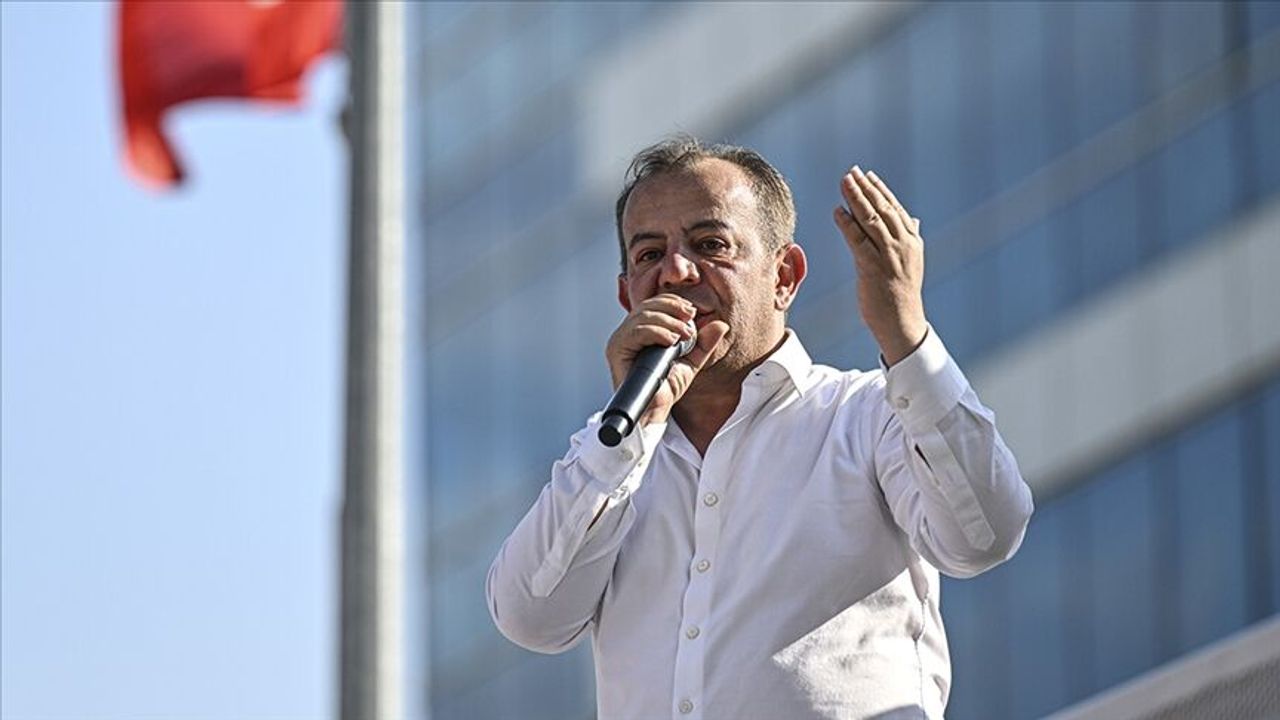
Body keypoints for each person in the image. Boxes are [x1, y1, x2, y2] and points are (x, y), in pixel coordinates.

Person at [486, 136, 1034, 720]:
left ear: (784, 276)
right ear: (627, 296)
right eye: (648, 255)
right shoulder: (610, 458)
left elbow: (984, 535)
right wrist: (627, 437)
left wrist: (905, 332)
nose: (675, 271)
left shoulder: (867, 414)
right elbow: (529, 617)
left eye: (710, 245)